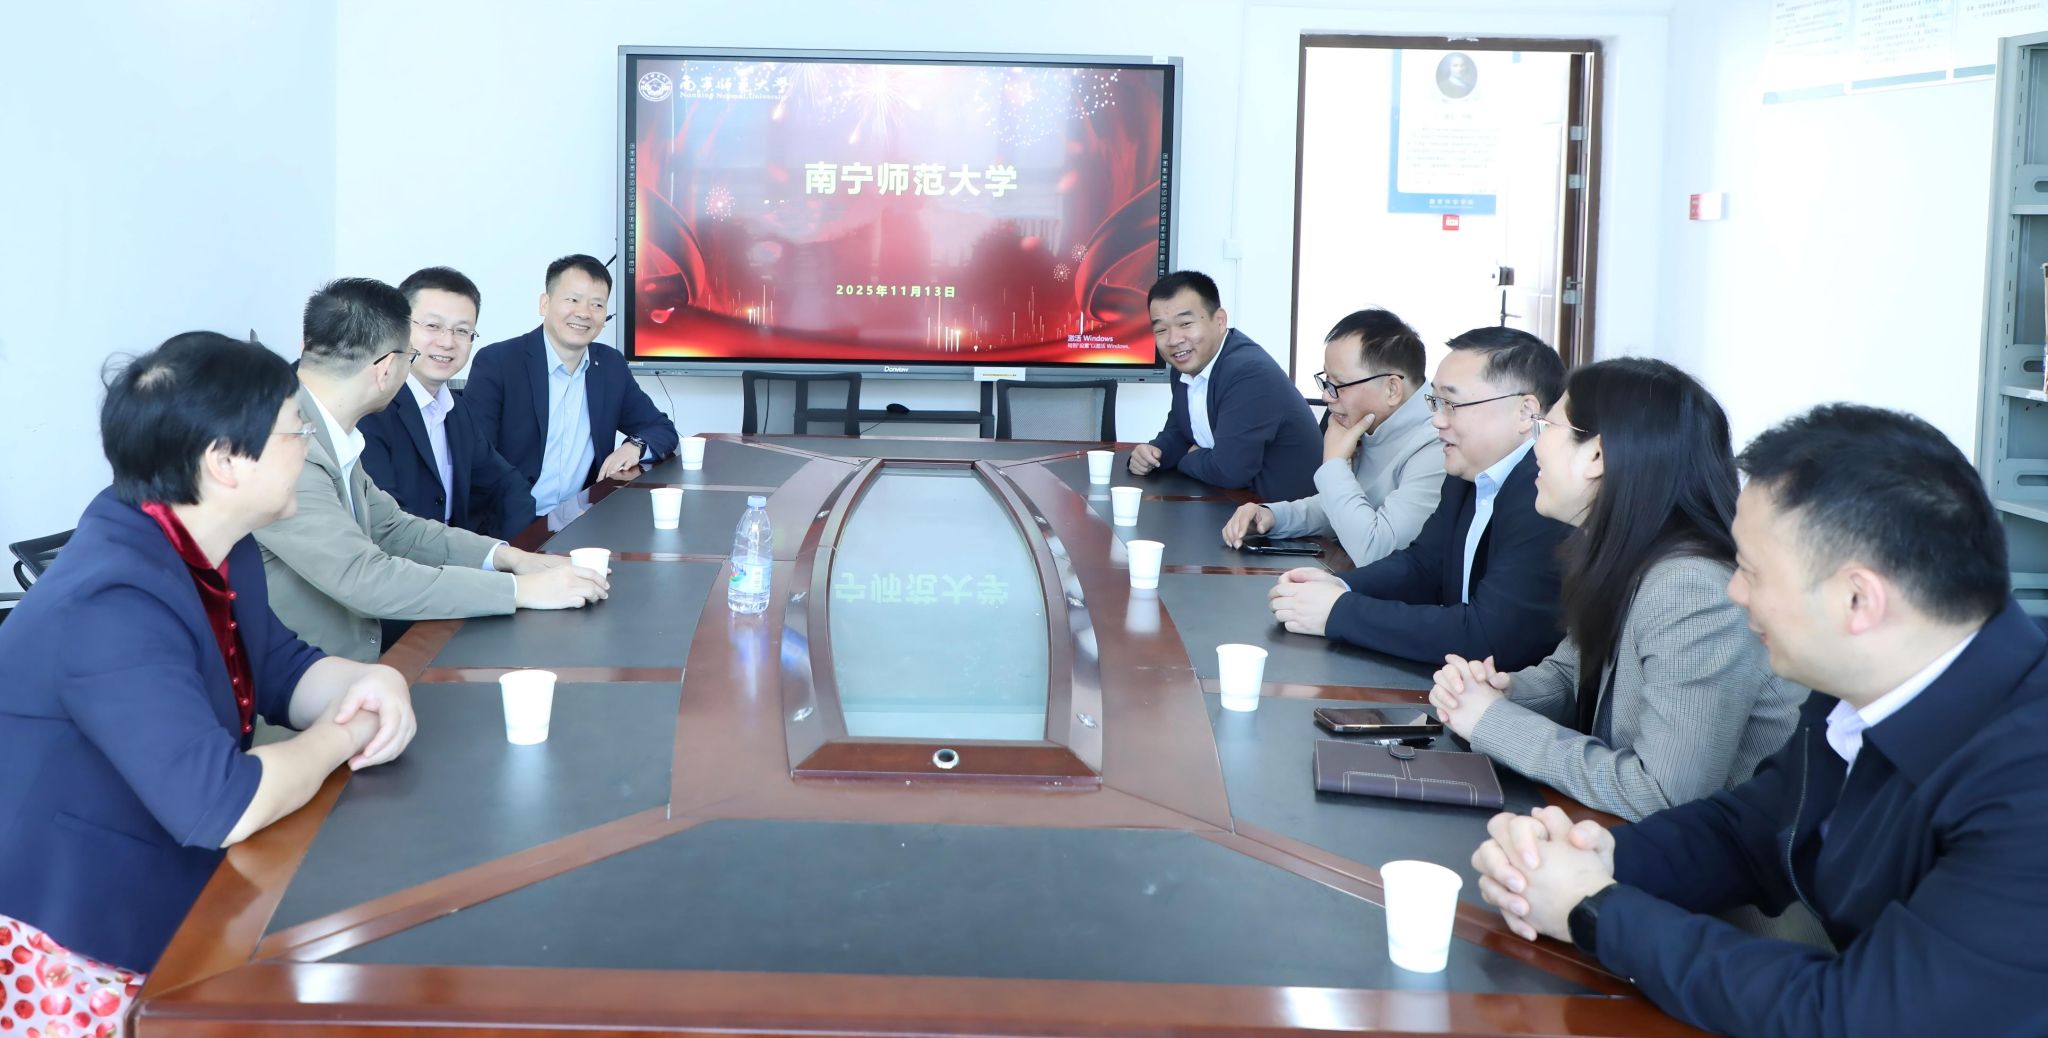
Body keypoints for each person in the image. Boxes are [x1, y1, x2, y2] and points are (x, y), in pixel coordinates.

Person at [1469, 405, 2048, 1038]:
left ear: (1858, 599)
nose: (1734, 593)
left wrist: (1595, 910)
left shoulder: (2027, 785)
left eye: (1750, 572)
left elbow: (1857, 1016)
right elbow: (1750, 830)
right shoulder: (1859, 685)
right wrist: (1599, 858)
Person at [0, 332, 418, 1020]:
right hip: (70, 936)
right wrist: (348, 734)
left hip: (174, 873)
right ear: (225, 461)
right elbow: (224, 803)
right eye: (295, 432)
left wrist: (373, 684)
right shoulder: (109, 601)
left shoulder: (219, 545)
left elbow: (282, 669)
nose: (308, 448)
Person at [1427, 358, 1803, 821]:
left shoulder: (1692, 588)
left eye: (1547, 427)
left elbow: (1662, 794)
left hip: (1714, 859)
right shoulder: (1626, 555)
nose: (1535, 445)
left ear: (1598, 456)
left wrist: (1493, 721)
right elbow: (1571, 676)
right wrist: (1501, 692)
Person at [257, 278, 607, 663]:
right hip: (308, 677)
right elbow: (364, 576)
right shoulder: (287, 446)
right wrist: (519, 591)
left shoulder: (325, 429)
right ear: (387, 369)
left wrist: (509, 558)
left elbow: (395, 528)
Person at [1267, 326, 1569, 670]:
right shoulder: (1469, 473)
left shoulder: (1545, 495)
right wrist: (1341, 585)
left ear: (1525, 412)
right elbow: (1425, 565)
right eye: (1435, 402)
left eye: (1451, 404)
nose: (1436, 420)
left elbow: (1487, 638)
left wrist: (1338, 611)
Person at [1221, 308, 1444, 567]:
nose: (1327, 395)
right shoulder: (1371, 422)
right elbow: (1345, 509)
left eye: (1339, 384)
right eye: (1326, 381)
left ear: (1392, 389)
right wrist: (1272, 516)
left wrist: (1335, 465)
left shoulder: (1437, 443)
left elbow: (1376, 550)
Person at [464, 254, 680, 515]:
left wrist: (635, 446)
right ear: (545, 304)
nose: (584, 313)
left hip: (582, 519)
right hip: (508, 522)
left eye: (597, 305)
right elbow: (477, 459)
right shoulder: (498, 362)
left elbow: (661, 428)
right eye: (573, 300)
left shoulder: (609, 366)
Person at [360, 266, 537, 540]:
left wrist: (519, 553)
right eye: (433, 326)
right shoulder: (371, 409)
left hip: (459, 558)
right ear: (398, 327)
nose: (448, 342)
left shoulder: (456, 410)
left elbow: (508, 486)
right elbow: (387, 526)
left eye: (462, 331)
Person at [1127, 271, 1321, 502]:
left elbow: (1230, 471)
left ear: (1219, 321)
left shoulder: (1248, 373)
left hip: (1281, 513)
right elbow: (1180, 431)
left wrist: (1187, 458)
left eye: (1185, 324)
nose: (1173, 340)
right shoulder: (1184, 367)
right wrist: (1153, 453)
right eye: (1161, 330)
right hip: (1231, 503)